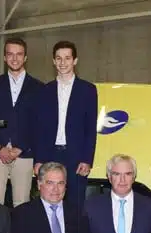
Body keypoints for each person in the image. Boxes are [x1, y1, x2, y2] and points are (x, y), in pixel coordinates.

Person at [33, 41, 97, 212]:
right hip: (50, 154)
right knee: (48, 202)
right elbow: (39, 128)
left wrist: (87, 159)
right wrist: (38, 159)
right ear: (53, 61)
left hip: (76, 156)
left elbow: (90, 127)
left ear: (75, 61)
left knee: (75, 205)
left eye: (67, 58)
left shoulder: (88, 90)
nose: (63, 63)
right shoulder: (44, 91)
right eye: (59, 58)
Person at [0, 37, 44, 206]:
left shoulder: (38, 87)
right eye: (10, 54)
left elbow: (39, 124)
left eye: (19, 54)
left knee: (22, 204)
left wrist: (21, 148)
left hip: (24, 154)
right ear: (4, 57)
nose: (14, 58)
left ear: (25, 58)